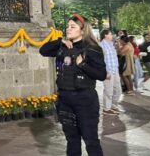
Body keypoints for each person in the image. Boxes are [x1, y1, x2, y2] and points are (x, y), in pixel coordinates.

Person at [40, 14, 106, 156]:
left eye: (72, 27)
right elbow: (43, 50)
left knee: (90, 140)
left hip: (85, 99)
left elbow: (101, 75)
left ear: (82, 30)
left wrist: (82, 64)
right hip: (65, 99)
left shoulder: (92, 48)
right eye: (68, 26)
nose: (68, 29)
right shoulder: (63, 47)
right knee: (72, 139)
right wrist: (60, 42)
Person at [99, 29, 121, 115]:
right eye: (110, 34)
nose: (112, 36)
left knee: (118, 90)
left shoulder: (111, 44)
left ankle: (113, 105)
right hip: (108, 71)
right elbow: (101, 60)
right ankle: (106, 108)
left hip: (115, 70)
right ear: (105, 35)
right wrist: (105, 71)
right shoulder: (101, 45)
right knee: (109, 90)